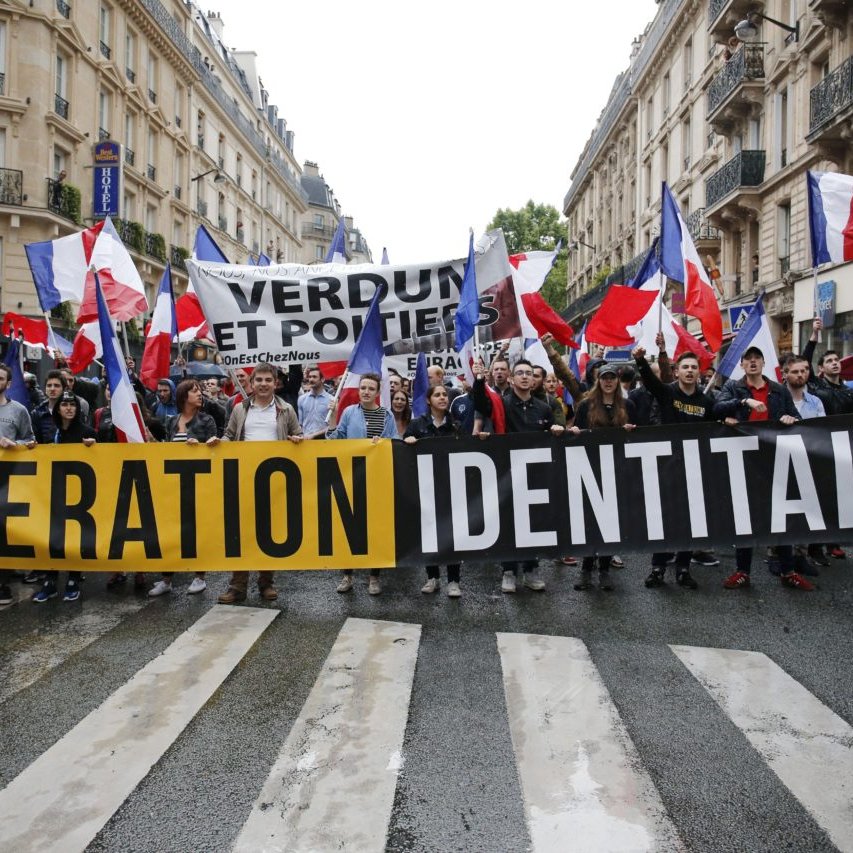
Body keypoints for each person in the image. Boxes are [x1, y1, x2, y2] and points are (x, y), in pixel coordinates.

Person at [714, 346, 813, 591]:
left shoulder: (778, 390)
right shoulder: (733, 387)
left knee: (781, 516)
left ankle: (788, 571)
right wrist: (742, 402)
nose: (753, 362)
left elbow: (795, 417)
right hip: (744, 459)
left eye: (757, 358)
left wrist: (792, 420)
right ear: (743, 365)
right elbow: (716, 408)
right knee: (745, 517)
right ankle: (742, 572)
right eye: (748, 359)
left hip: (773, 458)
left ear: (763, 362)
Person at [472, 358, 564, 592]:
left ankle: (531, 569)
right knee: (510, 523)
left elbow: (554, 437)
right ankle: (509, 571)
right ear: (512, 379)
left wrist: (556, 430)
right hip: (508, 474)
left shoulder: (544, 408)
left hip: (534, 476)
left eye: (529, 373)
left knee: (533, 522)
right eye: (520, 373)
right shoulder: (501, 404)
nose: (525, 376)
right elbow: (481, 403)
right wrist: (480, 380)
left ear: (534, 380)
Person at [633, 345, 717, 590]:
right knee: (665, 519)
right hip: (668, 468)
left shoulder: (706, 400)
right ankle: (657, 568)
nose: (690, 371)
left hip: (694, 469)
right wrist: (640, 360)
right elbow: (650, 382)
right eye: (685, 367)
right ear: (677, 372)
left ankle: (683, 568)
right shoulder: (668, 393)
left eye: (693, 368)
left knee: (690, 521)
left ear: (699, 373)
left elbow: (716, 422)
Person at [218, 363, 302, 604]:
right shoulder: (239, 409)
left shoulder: (286, 409)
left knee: (268, 533)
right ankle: (237, 585)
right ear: (251, 383)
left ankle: (266, 583)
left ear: (275, 383)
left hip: (273, 481)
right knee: (241, 532)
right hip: (243, 480)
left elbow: (298, 435)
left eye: (268, 380)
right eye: (259, 380)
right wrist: (218, 441)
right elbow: (229, 435)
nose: (263, 384)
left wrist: (296, 440)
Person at [326, 372, 396, 595]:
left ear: (377, 392)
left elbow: (396, 442)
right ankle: (347, 575)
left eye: (370, 388)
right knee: (350, 528)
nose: (366, 391)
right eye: (363, 387)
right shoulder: (349, 412)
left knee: (375, 528)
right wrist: (334, 417)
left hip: (376, 479)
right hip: (351, 477)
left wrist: (383, 443)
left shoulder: (387, 415)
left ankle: (374, 577)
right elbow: (335, 441)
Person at [569, 364, 636, 592]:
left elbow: (639, 435)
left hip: (617, 470)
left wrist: (631, 430)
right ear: (599, 381)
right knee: (592, 521)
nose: (608, 382)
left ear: (617, 381)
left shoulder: (628, 405)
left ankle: (604, 568)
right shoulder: (587, 405)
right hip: (591, 469)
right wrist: (575, 432)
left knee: (611, 522)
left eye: (612, 378)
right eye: (604, 378)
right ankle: (587, 568)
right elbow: (575, 431)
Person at [148, 380, 218, 598]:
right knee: (171, 532)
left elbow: (214, 450)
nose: (200, 394)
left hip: (199, 484)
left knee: (197, 531)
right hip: (174, 485)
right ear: (183, 396)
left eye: (200, 391)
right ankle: (166, 579)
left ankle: (199, 576)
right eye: (195, 391)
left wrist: (202, 445)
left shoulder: (207, 420)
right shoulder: (172, 421)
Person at [32, 392, 95, 603]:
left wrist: (94, 447)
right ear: (58, 409)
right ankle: (50, 581)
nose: (68, 408)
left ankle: (73, 579)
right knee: (53, 537)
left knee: (75, 537)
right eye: (64, 404)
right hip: (55, 491)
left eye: (72, 404)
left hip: (80, 494)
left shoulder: (86, 432)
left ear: (77, 409)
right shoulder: (54, 432)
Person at [404, 384, 462, 597]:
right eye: (437, 395)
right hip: (426, 487)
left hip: (450, 487)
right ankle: (432, 577)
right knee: (428, 531)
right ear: (428, 400)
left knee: (452, 534)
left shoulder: (456, 425)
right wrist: (408, 442)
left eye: (445, 395)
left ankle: (454, 580)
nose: (442, 398)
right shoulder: (417, 425)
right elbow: (404, 453)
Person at [0, 364, 36, 606]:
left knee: (3, 531)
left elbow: (30, 440)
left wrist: (14, 445)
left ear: (9, 383)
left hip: (7, 482)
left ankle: (3, 584)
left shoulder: (19, 410)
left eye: (0, 378)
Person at [298, 366, 332, 439]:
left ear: (322, 379)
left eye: (314, 377)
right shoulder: (301, 399)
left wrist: (314, 435)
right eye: (309, 377)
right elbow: (300, 424)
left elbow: (332, 425)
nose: (311, 379)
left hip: (324, 441)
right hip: (305, 441)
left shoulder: (331, 400)